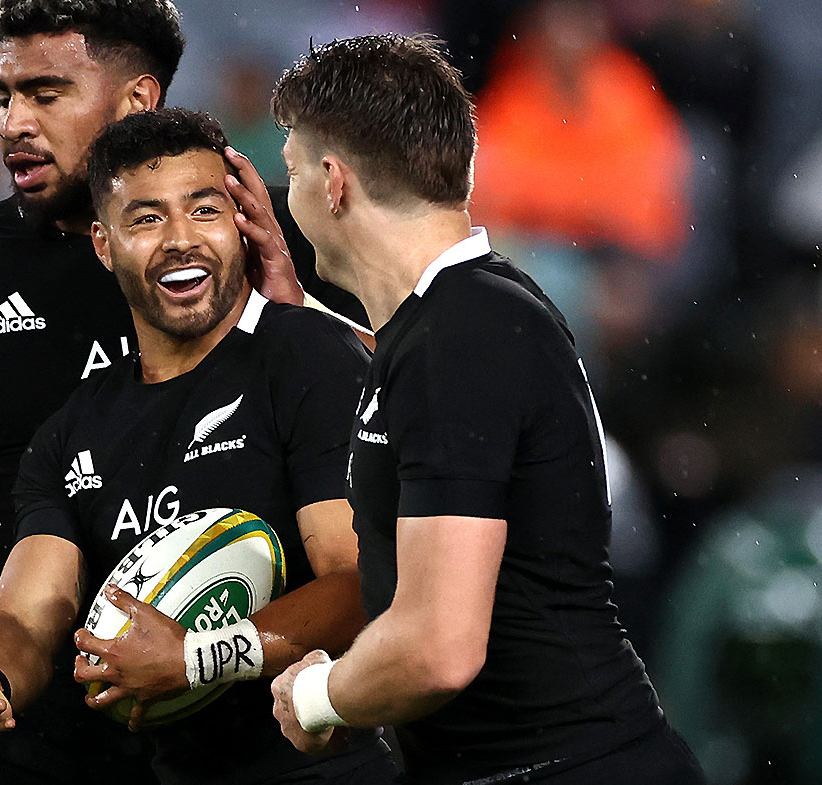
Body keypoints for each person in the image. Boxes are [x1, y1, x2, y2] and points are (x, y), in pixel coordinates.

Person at [0, 2, 356, 784]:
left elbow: (425, 417)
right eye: (4, 95)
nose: (13, 122)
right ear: (103, 246)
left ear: (137, 99)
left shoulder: (285, 240)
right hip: (27, 720)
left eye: (45, 94)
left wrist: (297, 305)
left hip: (264, 722)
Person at [265, 35, 707, 785]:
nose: (291, 196)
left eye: (294, 171)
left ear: (334, 183)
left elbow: (438, 648)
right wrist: (303, 315)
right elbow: (420, 395)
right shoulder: (477, 309)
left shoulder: (456, 339)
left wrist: (316, 695)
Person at [0, 107, 395, 785]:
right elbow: (26, 615)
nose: (180, 239)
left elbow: (360, 583)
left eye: (203, 211)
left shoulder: (306, 356)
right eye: (146, 219)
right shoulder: (70, 432)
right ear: (104, 243)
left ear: (238, 223)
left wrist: (198, 657)